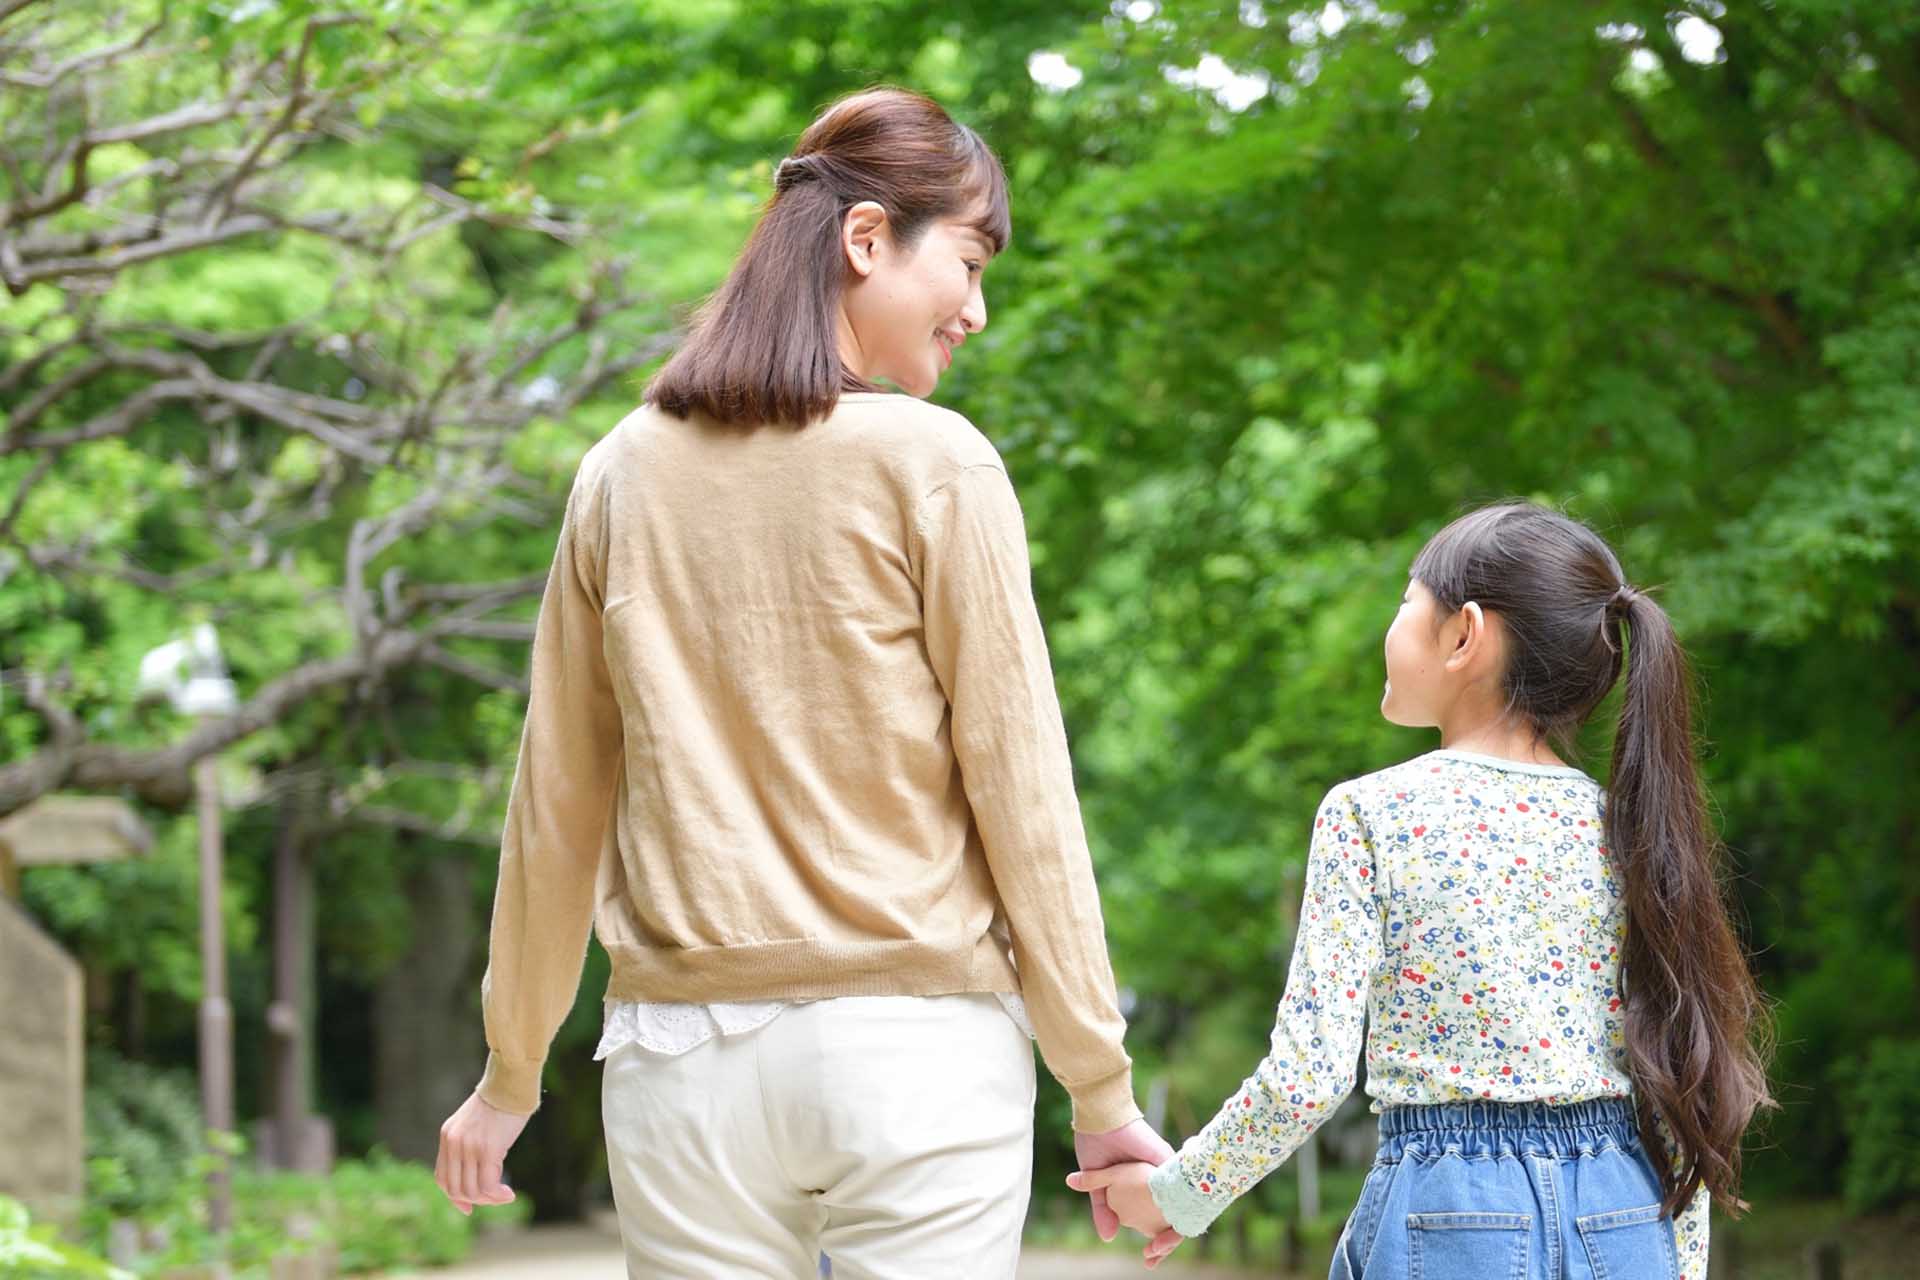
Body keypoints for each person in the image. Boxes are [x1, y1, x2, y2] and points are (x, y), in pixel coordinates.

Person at [431, 85, 1171, 1278]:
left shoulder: (620, 472)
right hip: (917, 1051)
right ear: (867, 238)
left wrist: (511, 1070)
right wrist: (1098, 1082)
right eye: (970, 263)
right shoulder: (939, 464)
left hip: (681, 1061)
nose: (976, 310)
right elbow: (1022, 792)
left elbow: (556, 805)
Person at [1069, 502, 1772, 1278]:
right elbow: (1678, 1074)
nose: (1392, 625)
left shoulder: (1371, 813)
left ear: (1465, 633)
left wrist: (1178, 1195)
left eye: (1406, 602)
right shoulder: (1626, 828)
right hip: (1625, 1209)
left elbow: (1308, 1077)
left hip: (1453, 1209)